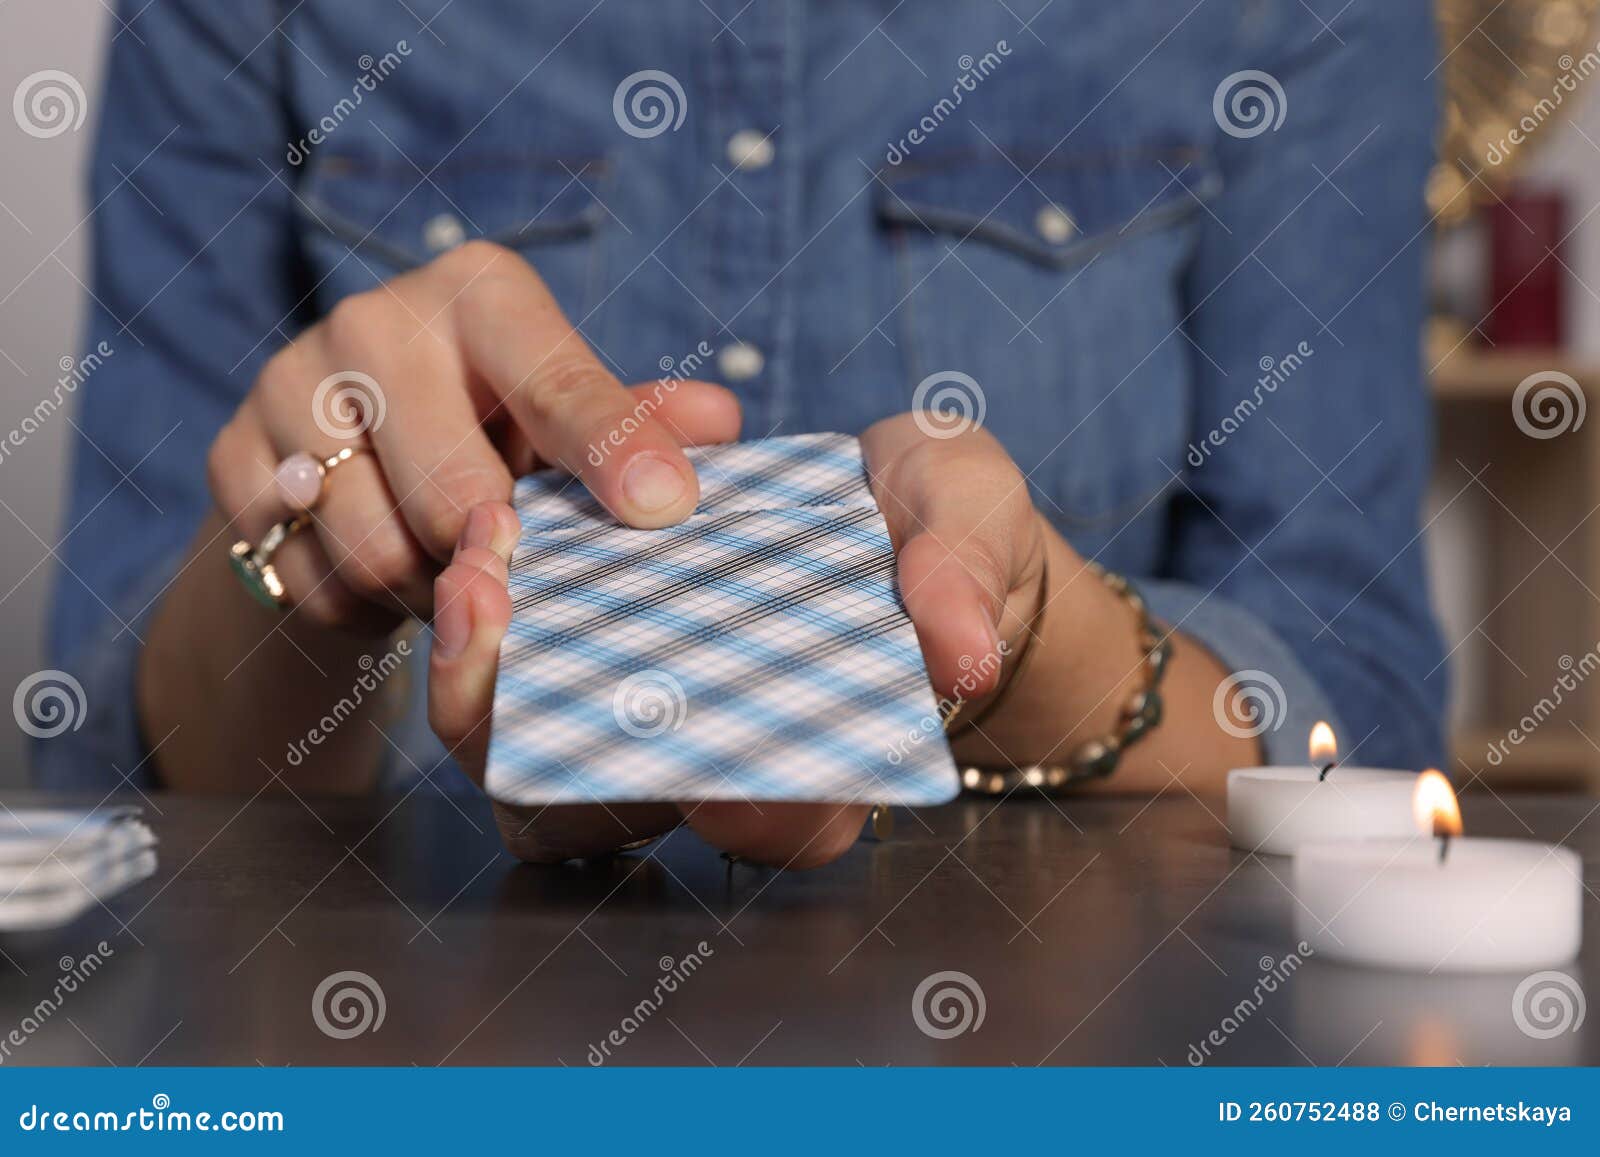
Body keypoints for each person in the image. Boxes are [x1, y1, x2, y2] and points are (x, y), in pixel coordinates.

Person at [41, 1, 1446, 868]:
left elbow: (1350, 702)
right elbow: (101, 763)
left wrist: (1034, 651)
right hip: (415, 1042)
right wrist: (304, 573)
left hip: (1059, 1051)